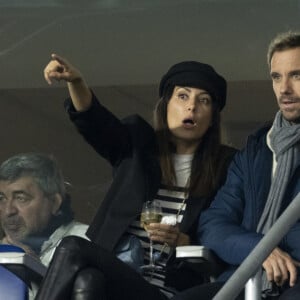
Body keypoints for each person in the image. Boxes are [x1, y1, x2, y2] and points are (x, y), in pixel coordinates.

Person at [35, 56, 236, 300]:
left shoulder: (228, 167)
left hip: (167, 291)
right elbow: (96, 122)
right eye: (182, 96)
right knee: (89, 278)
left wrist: (184, 242)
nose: (191, 106)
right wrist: (76, 82)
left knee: (72, 246)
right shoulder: (138, 143)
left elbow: (227, 243)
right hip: (115, 275)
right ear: (166, 105)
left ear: (213, 116)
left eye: (203, 101)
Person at [172, 31, 300, 300]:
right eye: (277, 77)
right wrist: (260, 250)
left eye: (297, 75)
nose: (285, 88)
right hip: (243, 278)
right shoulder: (255, 151)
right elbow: (214, 223)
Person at [0, 153, 89, 299]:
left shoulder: (85, 243)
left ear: (54, 203)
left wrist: (35, 269)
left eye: (21, 198)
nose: (8, 210)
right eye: (1, 198)